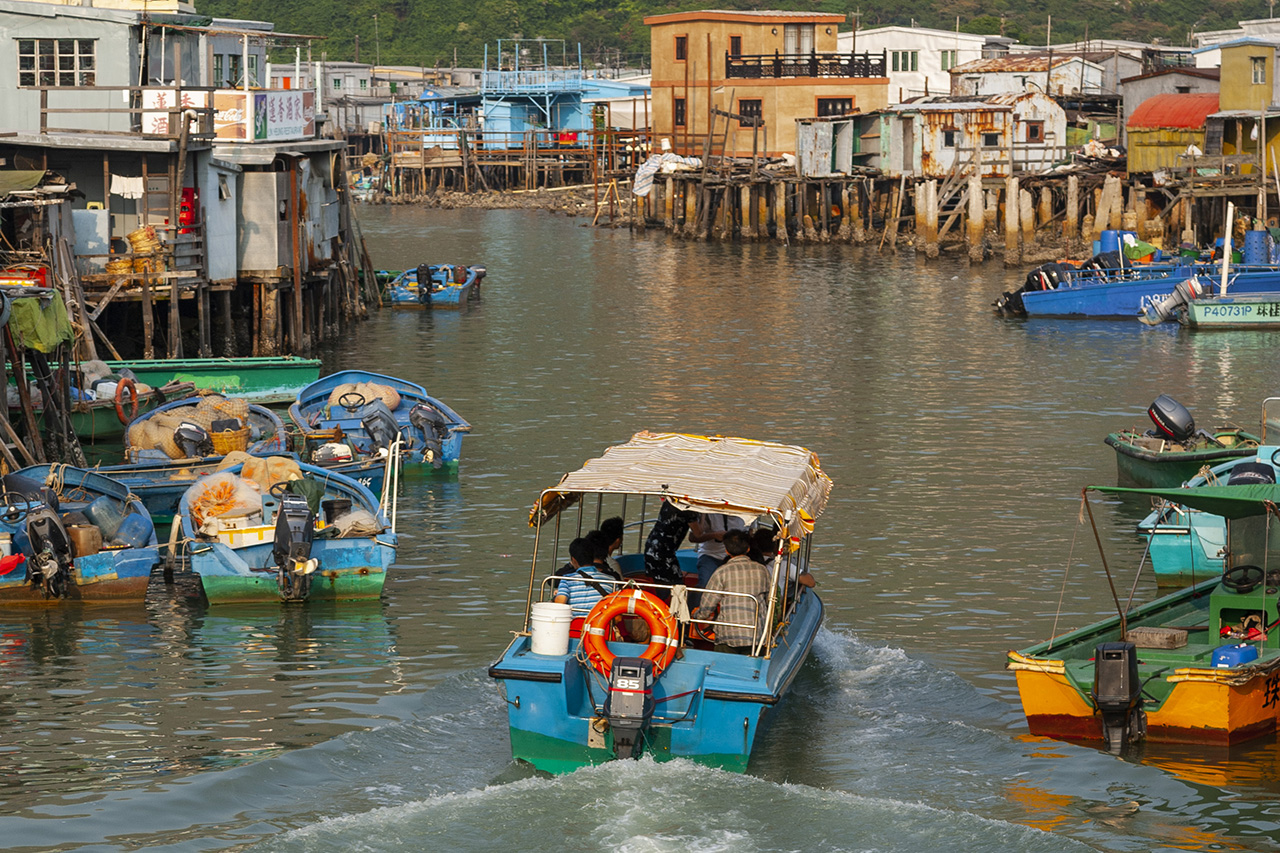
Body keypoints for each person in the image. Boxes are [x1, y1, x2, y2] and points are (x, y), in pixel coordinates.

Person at [693, 529, 770, 654]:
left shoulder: (721, 572)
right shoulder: (762, 570)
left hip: (727, 637)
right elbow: (769, 599)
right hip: (756, 635)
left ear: (727, 551)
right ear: (748, 549)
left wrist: (697, 616)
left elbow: (707, 607)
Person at [554, 537, 615, 615]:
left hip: (576, 626)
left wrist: (558, 595)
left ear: (573, 560)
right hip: (601, 625)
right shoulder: (611, 580)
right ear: (592, 557)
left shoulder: (567, 580)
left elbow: (559, 604)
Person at [643, 500, 697, 585]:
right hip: (663, 552)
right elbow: (699, 533)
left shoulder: (670, 501)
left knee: (663, 584)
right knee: (677, 586)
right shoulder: (688, 508)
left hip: (653, 546)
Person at [690, 513, 746, 589]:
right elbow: (692, 538)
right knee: (705, 584)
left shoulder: (748, 514)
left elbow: (750, 536)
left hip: (736, 557)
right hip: (710, 555)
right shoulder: (709, 513)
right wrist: (714, 535)